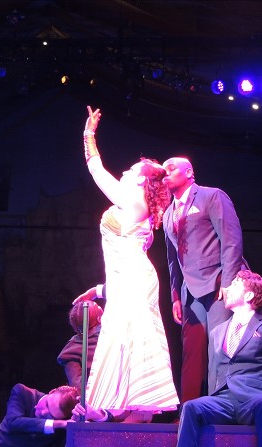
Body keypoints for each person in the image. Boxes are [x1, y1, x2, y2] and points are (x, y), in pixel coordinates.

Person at [80, 105, 179, 416]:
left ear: (141, 181)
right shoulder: (136, 203)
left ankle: (140, 410)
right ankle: (118, 408)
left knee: (132, 337)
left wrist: (89, 134)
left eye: (133, 170)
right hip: (128, 276)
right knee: (120, 336)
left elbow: (97, 172)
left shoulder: (134, 202)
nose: (126, 171)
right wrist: (100, 289)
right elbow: (119, 258)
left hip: (134, 278)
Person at [173, 270, 262, 447]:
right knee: (191, 407)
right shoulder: (217, 331)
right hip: (223, 400)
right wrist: (211, 399)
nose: (227, 288)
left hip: (253, 398)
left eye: (235, 284)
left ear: (249, 295)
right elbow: (213, 372)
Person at [162, 156, 245, 404]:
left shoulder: (211, 196)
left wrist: (229, 282)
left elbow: (231, 239)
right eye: (163, 171)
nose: (165, 173)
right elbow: (172, 259)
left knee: (219, 348)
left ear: (189, 173)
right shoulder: (168, 214)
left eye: (171, 169)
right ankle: (188, 410)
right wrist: (175, 296)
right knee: (192, 352)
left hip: (218, 281)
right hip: (190, 289)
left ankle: (220, 407)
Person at [0, 383, 79, 447]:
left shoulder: (63, 428)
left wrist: (88, 416)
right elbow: (13, 422)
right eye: (47, 404)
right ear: (51, 391)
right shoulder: (22, 393)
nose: (43, 412)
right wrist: (59, 424)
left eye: (50, 415)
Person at [57, 300, 103, 390]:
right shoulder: (73, 350)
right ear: (99, 318)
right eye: (97, 307)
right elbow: (79, 387)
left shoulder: (112, 335)